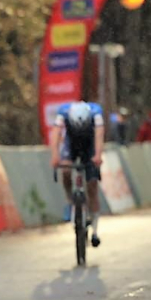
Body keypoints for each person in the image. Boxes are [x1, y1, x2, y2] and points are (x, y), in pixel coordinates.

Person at [49, 100, 105, 247]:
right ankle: (70, 201)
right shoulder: (64, 111)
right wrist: (55, 155)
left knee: (92, 186)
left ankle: (95, 229)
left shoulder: (95, 111)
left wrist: (98, 155)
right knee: (66, 170)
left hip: (89, 145)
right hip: (71, 144)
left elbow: (99, 134)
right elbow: (55, 132)